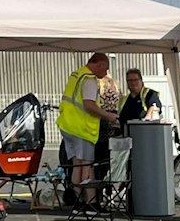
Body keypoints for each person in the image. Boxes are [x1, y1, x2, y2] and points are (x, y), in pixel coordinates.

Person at [59, 51, 122, 197]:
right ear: (99, 64)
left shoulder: (76, 75)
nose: (106, 72)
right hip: (82, 129)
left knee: (77, 164)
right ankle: (90, 202)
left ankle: (75, 199)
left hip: (68, 126)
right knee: (87, 165)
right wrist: (109, 116)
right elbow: (89, 104)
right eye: (105, 68)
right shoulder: (89, 79)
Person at [117, 68, 163, 132]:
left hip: (144, 134)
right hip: (126, 136)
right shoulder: (124, 99)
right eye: (130, 80)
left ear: (141, 80)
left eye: (136, 80)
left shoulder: (149, 94)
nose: (133, 83)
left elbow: (154, 107)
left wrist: (146, 120)